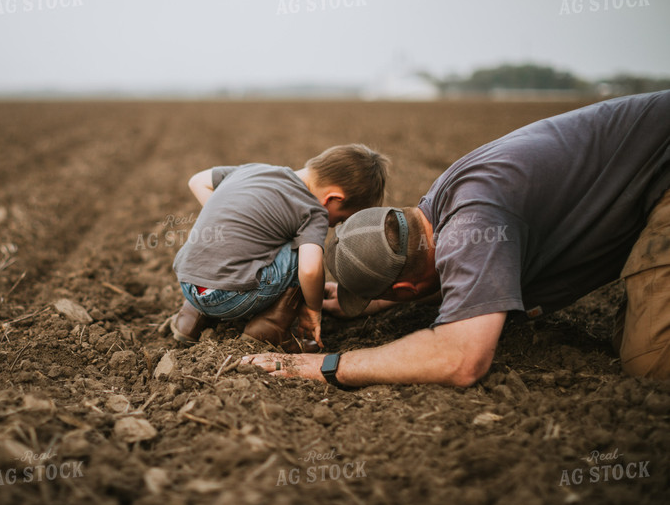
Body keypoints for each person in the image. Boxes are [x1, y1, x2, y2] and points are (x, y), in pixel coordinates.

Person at [242, 90, 670, 386]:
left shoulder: (473, 226)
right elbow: (446, 271)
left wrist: (323, 366)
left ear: (407, 287)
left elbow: (461, 359)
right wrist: (369, 300)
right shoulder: (440, 204)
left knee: (651, 362)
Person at [170, 144, 389, 352]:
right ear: (333, 198)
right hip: (230, 297)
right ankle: (270, 327)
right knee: (302, 251)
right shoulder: (313, 210)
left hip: (188, 283)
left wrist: (229, 222)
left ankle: (190, 320)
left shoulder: (252, 170)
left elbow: (196, 181)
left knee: (230, 251)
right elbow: (310, 270)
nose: (334, 225)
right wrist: (313, 310)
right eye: (340, 219)